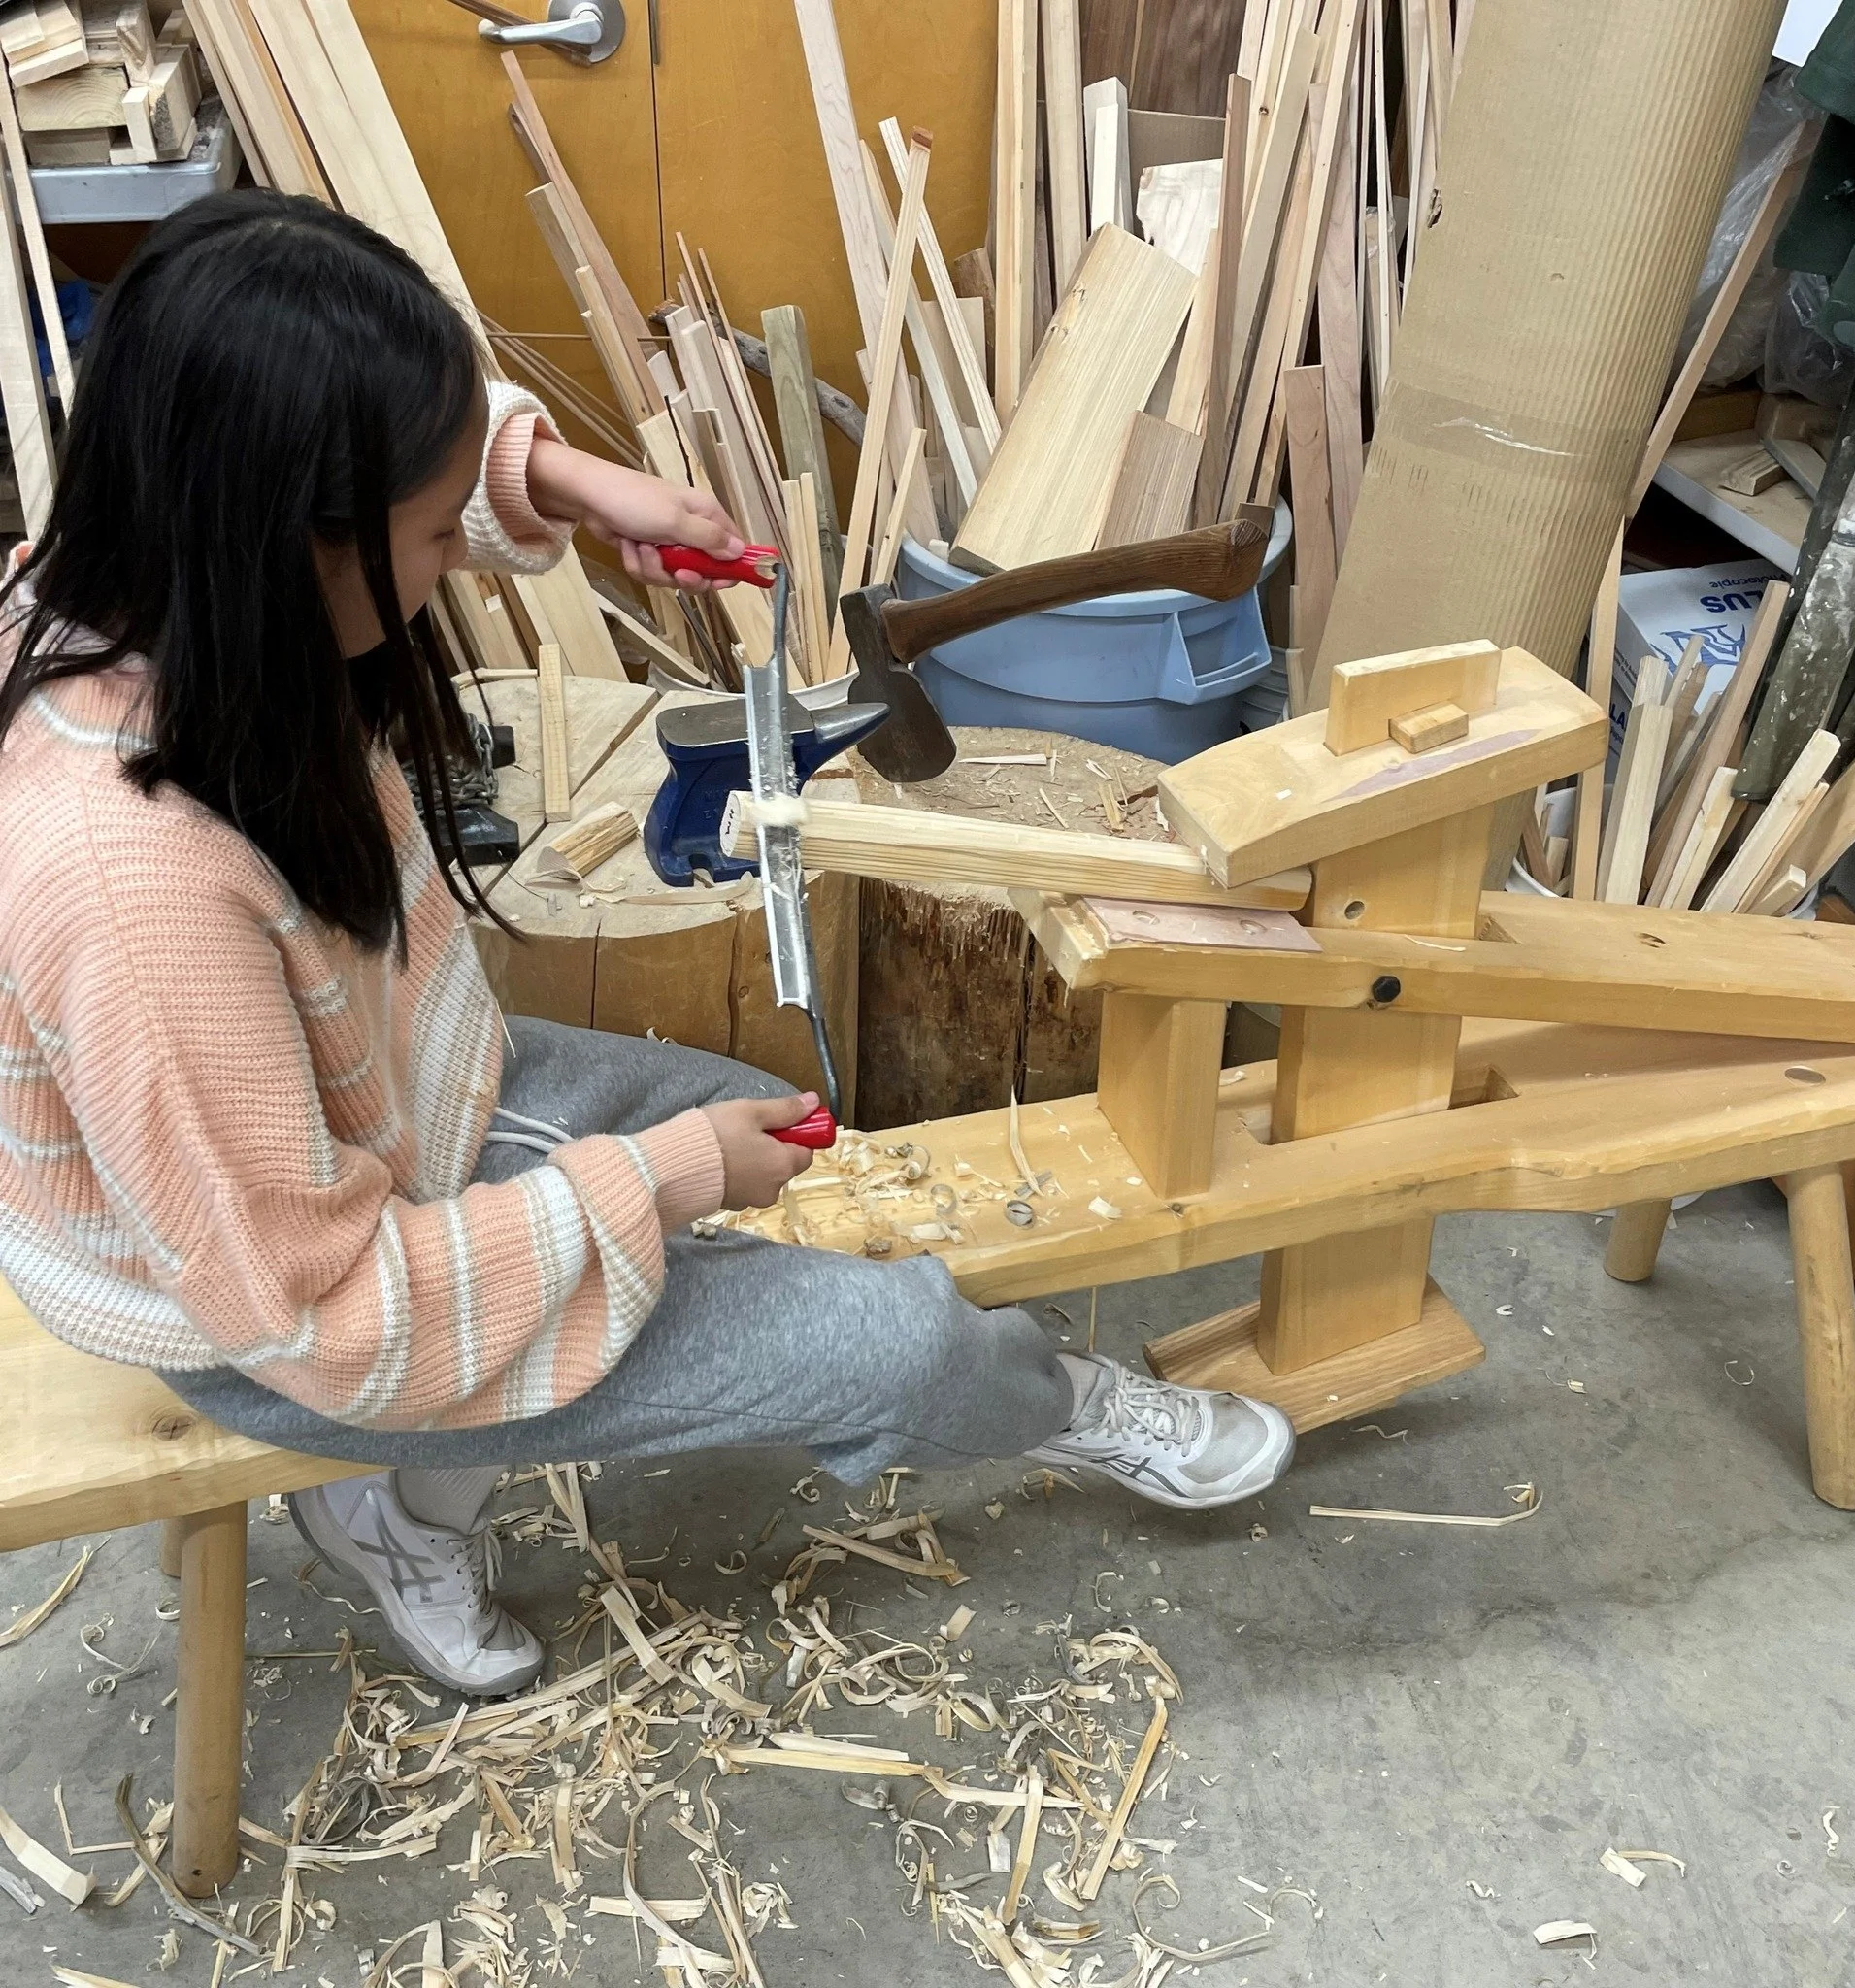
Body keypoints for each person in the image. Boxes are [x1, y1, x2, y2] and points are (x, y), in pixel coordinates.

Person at [0, 190, 1294, 1698]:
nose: (454, 555)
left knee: (746, 1114)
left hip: (401, 1116)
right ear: (298, 539)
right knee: (887, 1343)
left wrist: (554, 476)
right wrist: (659, 1184)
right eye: (434, 531)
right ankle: (1052, 1402)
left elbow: (360, 456)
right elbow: (328, 1320)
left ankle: (394, 1502)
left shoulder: (139, 566)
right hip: (282, 1320)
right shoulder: (132, 885)